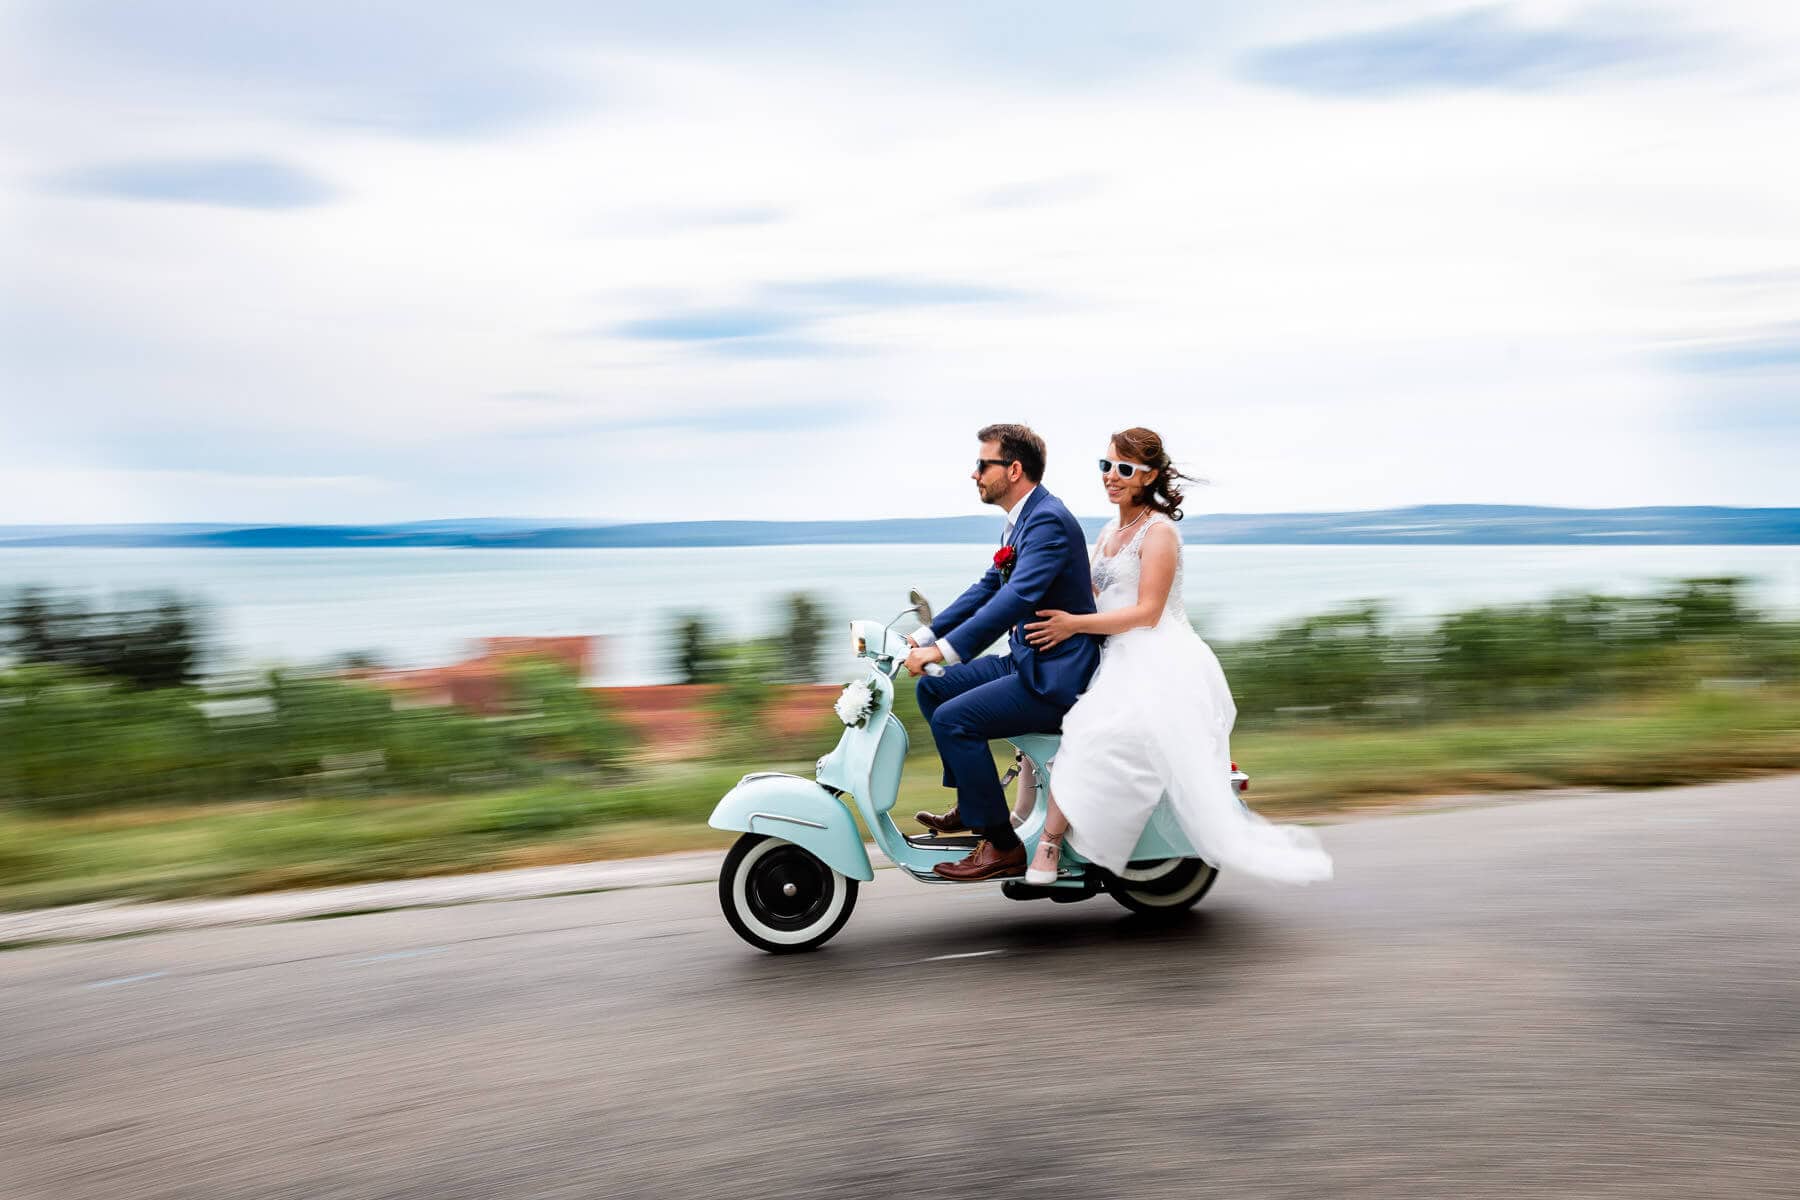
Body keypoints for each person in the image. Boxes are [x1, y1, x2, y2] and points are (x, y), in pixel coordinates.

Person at [1020, 428, 1333, 887]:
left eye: (1124, 469)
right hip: (1112, 649)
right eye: (1105, 465)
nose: (1111, 476)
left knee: (1089, 732)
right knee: (1039, 720)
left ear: (1148, 477)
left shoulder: (1159, 531)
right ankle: (1020, 822)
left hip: (1155, 657)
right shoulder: (1110, 530)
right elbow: (1095, 593)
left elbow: (1148, 613)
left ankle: (1049, 842)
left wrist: (1072, 624)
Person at [903, 423, 1103, 881]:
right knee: (934, 694)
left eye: (982, 464)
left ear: (1013, 469)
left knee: (956, 719)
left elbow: (1016, 600)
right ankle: (976, 805)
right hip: (1028, 661)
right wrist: (926, 637)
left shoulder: (1048, 520)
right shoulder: (1023, 519)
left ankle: (1001, 843)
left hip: (1055, 679)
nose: (974, 474)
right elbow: (989, 586)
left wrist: (945, 652)